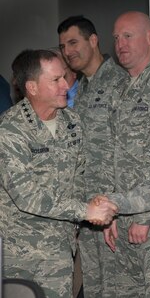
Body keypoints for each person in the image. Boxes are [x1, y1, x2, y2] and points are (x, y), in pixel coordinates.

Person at [0, 49, 118, 298]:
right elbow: (27, 196)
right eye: (56, 80)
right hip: (22, 257)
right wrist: (85, 211)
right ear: (32, 87)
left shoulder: (72, 122)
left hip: (62, 250)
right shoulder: (10, 131)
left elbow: (81, 175)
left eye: (64, 76)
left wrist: (99, 202)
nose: (66, 84)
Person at [97, 11, 150, 297]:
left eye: (128, 36)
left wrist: (143, 217)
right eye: (117, 38)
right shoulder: (117, 88)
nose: (120, 43)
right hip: (120, 215)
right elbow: (109, 153)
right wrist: (109, 214)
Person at [57, 15, 127, 297]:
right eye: (63, 46)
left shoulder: (119, 82)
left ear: (94, 40)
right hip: (87, 211)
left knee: (117, 288)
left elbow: (127, 152)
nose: (67, 51)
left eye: (73, 42)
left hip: (112, 211)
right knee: (95, 288)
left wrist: (118, 204)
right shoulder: (80, 88)